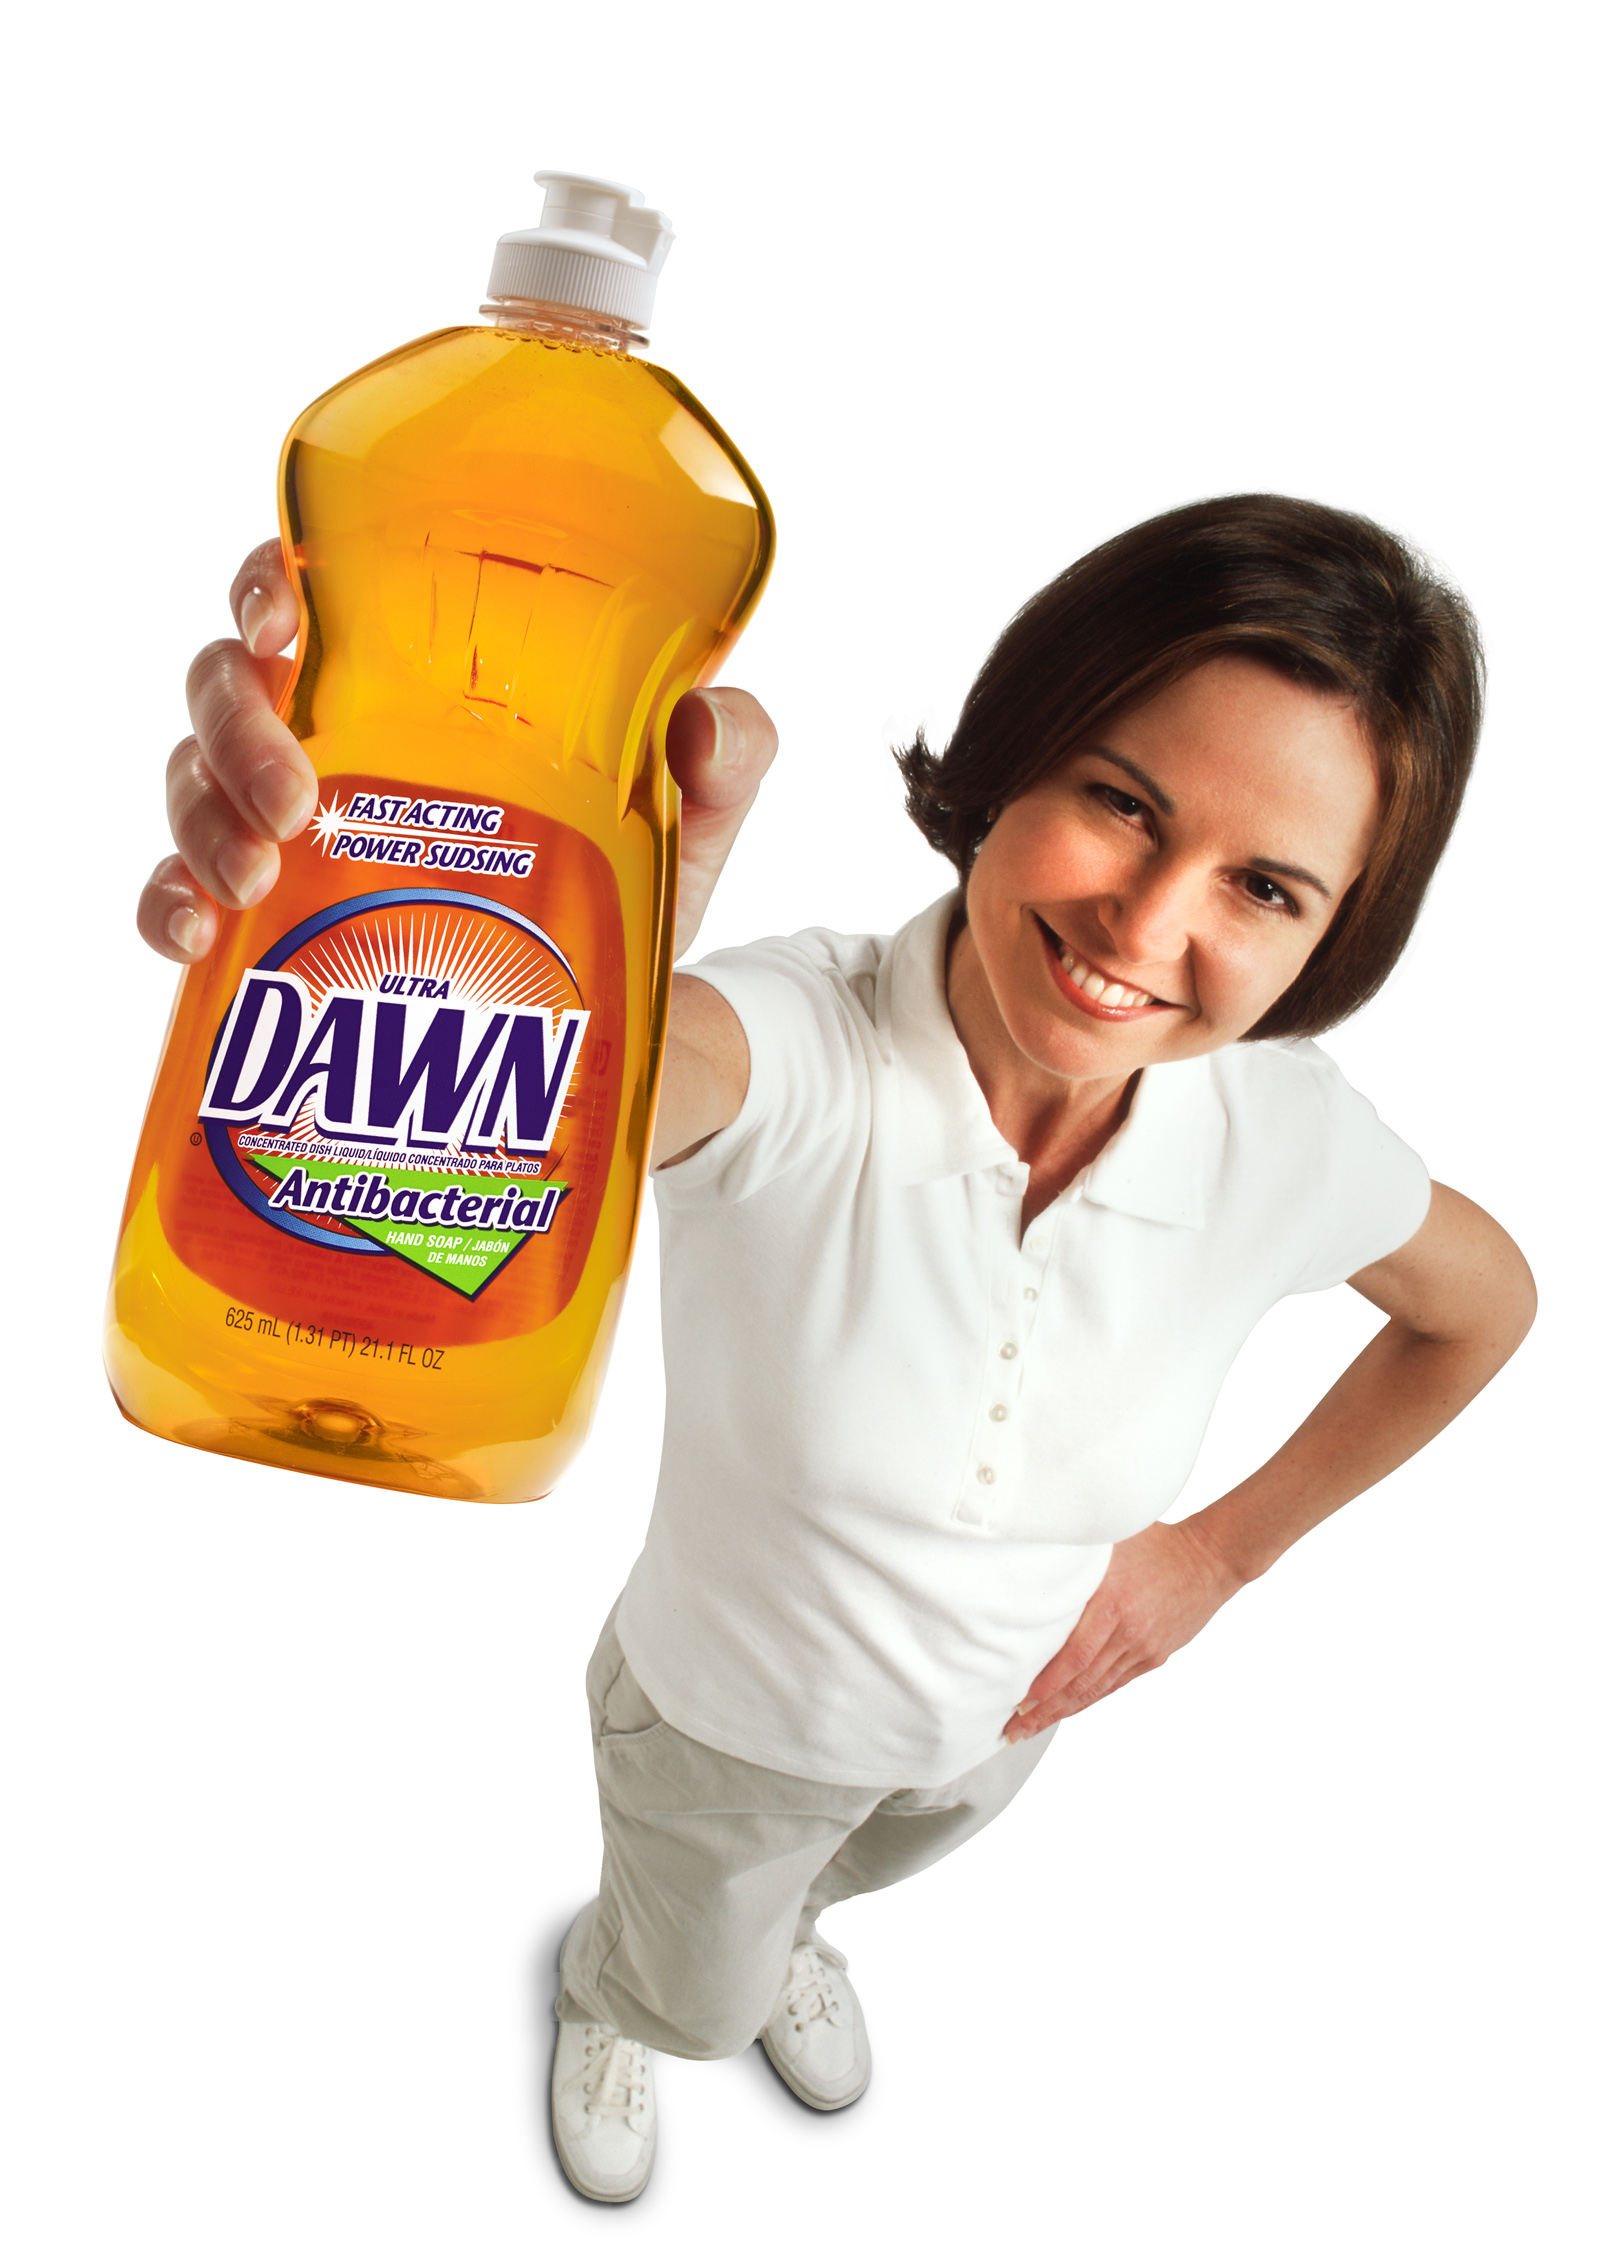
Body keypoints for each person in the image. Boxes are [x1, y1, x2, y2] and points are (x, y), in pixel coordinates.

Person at [140, 494, 1535, 2204]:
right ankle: (617, 1989)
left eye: (1262, 885)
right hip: (718, 1735)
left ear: (1333, 937)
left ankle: (784, 1925)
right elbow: (587, 1096)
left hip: (990, 1732)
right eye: (1121, 800)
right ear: (1014, 757)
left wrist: (1217, 1558)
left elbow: (1483, 1305)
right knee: (692, 1973)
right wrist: (562, 916)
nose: (1142, 926)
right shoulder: (799, 1044)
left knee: (843, 1876)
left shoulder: (1282, 1138)